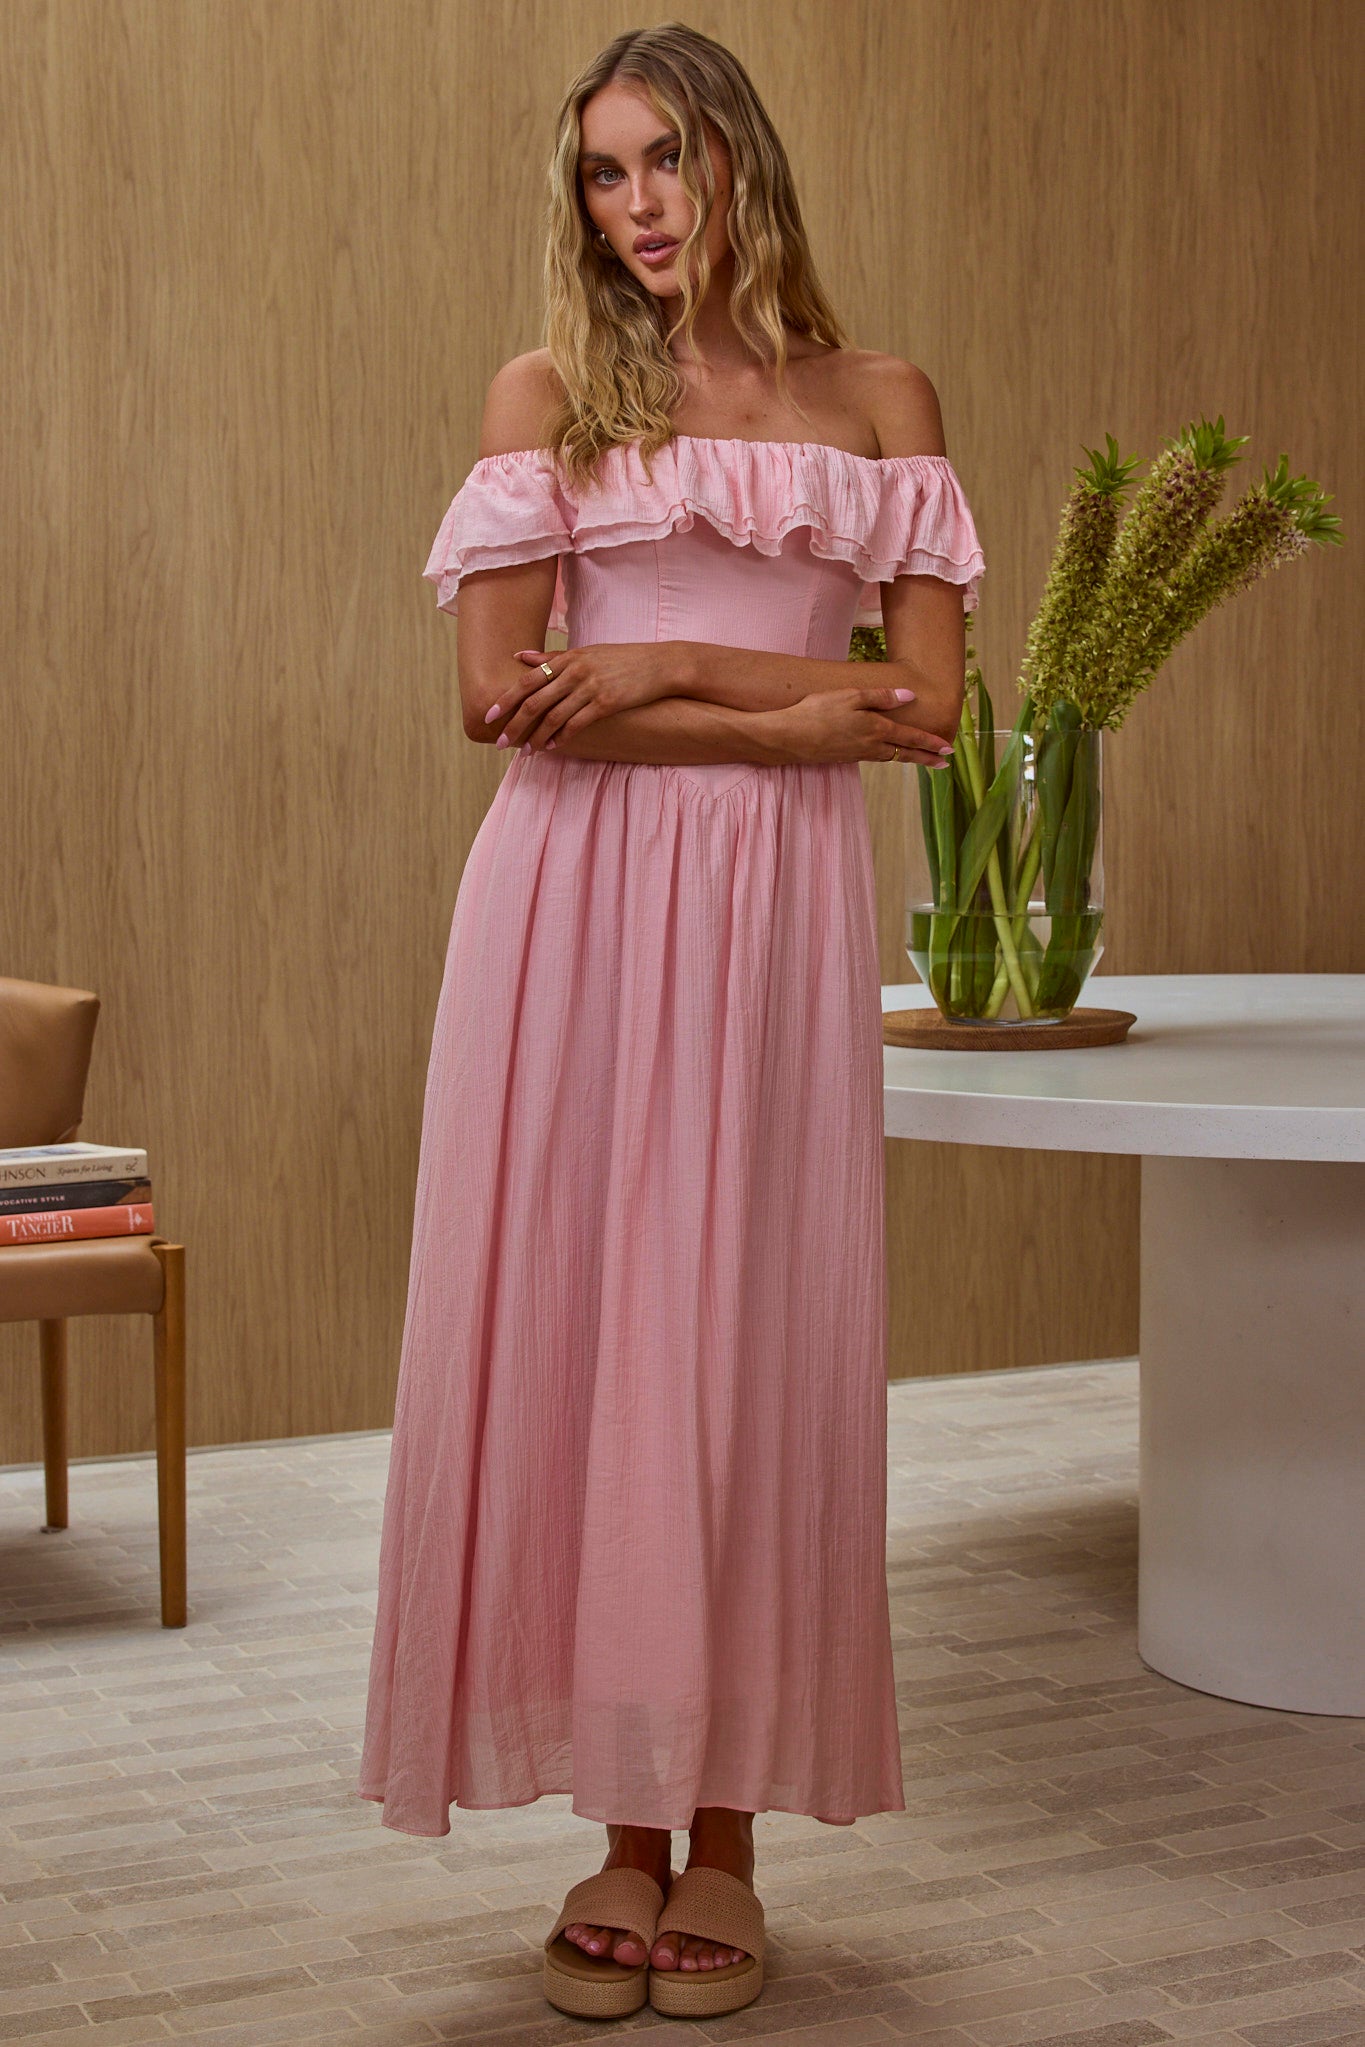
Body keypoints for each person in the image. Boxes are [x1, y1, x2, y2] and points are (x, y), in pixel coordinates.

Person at [358, 20, 984, 2024]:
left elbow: (924, 708)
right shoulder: (546, 397)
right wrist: (792, 710)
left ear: (739, 164)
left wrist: (657, 668)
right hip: (572, 901)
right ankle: (621, 1830)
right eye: (602, 174)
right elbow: (499, 696)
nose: (635, 206)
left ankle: (723, 1836)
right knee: (587, 1327)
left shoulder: (877, 401)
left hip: (772, 912)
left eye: (664, 162)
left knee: (745, 1330)